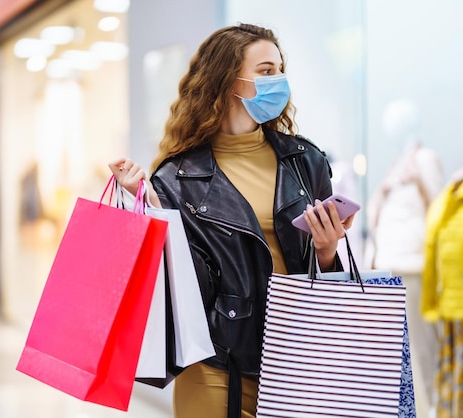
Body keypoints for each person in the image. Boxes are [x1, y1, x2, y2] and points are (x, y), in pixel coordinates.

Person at [109, 23, 355, 418]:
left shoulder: (306, 162)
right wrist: (150, 208)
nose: (279, 80)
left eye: (279, 69)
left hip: (298, 361)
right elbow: (181, 284)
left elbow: (322, 277)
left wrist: (327, 251)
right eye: (266, 71)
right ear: (228, 81)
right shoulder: (176, 177)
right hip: (216, 367)